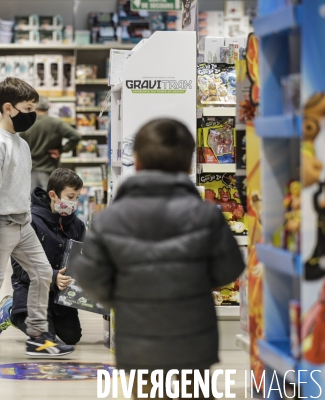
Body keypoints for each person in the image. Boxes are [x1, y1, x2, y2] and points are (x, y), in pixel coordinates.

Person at [72, 119, 245, 399]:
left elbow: (89, 278)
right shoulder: (207, 216)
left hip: (137, 346)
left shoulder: (108, 221)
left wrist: (122, 300)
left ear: (136, 161)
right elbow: (229, 269)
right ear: (189, 164)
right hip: (194, 345)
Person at [0, 77, 75, 364]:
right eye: (27, 108)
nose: (31, 114)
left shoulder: (21, 144)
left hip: (23, 223)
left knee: (43, 273)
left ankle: (37, 336)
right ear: (9, 108)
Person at [0, 168, 85, 345]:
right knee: (46, 338)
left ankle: (44, 318)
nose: (74, 203)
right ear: (53, 195)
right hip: (30, 288)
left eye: (77, 197)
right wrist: (53, 276)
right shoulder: (30, 221)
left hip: (60, 296)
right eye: (70, 197)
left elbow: (83, 259)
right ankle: (10, 312)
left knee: (72, 337)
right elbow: (19, 267)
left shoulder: (76, 225)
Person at [20, 96, 81, 192]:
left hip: (30, 170)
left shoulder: (27, 123)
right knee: (48, 201)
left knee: (32, 202)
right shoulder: (56, 123)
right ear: (48, 108)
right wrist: (61, 150)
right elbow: (76, 136)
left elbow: (18, 144)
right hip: (50, 170)